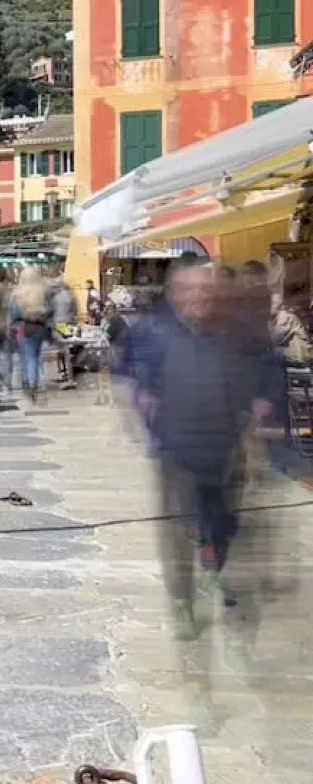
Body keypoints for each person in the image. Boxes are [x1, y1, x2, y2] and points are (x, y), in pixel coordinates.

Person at [137, 262, 274, 639]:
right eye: (191, 291)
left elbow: (265, 371)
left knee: (224, 521)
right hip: (176, 448)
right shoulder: (157, 334)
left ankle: (212, 570)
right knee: (177, 529)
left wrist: (262, 400)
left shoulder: (236, 335)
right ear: (176, 296)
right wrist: (146, 407)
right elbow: (138, 378)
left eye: (206, 291)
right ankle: (182, 602)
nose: (200, 298)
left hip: (227, 445)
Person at [12, 266, 51, 400]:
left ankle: (28, 382)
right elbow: (49, 310)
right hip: (39, 327)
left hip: (23, 327)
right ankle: (33, 382)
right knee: (34, 356)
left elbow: (14, 313)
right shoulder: (42, 292)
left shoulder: (18, 293)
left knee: (25, 356)